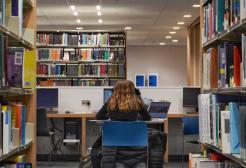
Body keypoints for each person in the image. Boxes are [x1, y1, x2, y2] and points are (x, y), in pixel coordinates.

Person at [90, 80, 165, 168]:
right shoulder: (137, 102)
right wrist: (136, 118)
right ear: (131, 89)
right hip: (136, 142)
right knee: (157, 136)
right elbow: (147, 118)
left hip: (114, 142)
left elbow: (98, 116)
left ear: (116, 90)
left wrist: (110, 117)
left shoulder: (110, 102)